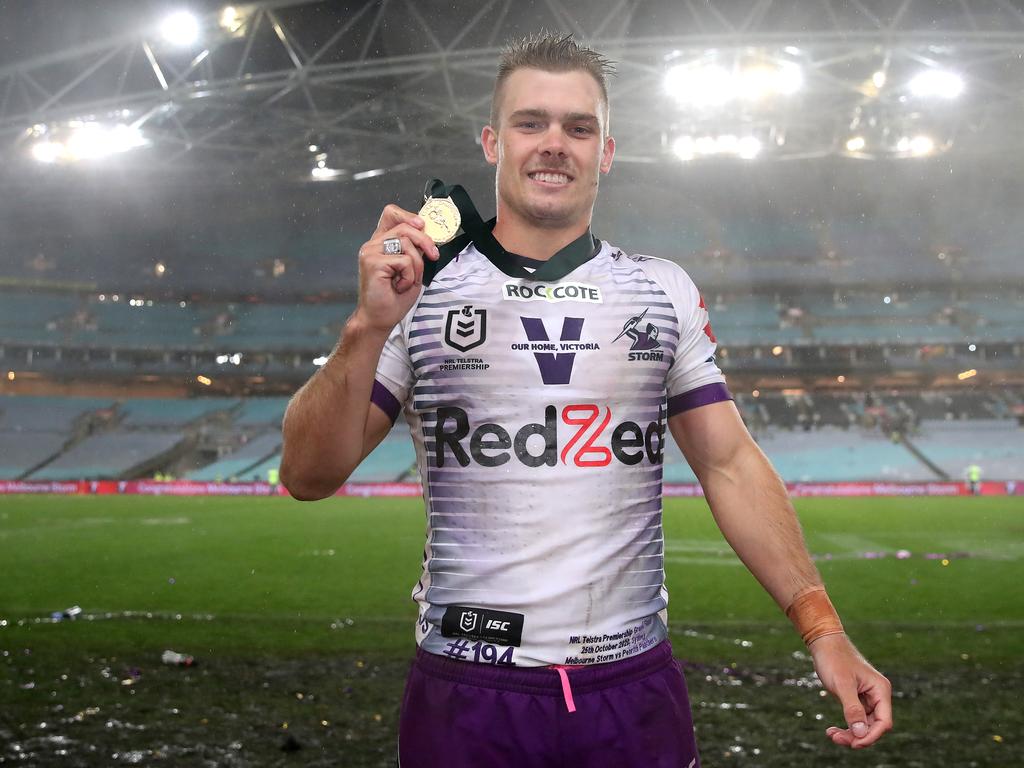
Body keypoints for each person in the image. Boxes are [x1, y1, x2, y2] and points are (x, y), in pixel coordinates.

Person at [280, 33, 892, 766]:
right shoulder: (421, 290)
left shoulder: (660, 291)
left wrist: (824, 629)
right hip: (466, 690)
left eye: (580, 127)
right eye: (530, 122)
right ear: (490, 141)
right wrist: (365, 326)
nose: (553, 145)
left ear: (606, 151)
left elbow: (728, 463)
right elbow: (307, 475)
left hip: (630, 688)